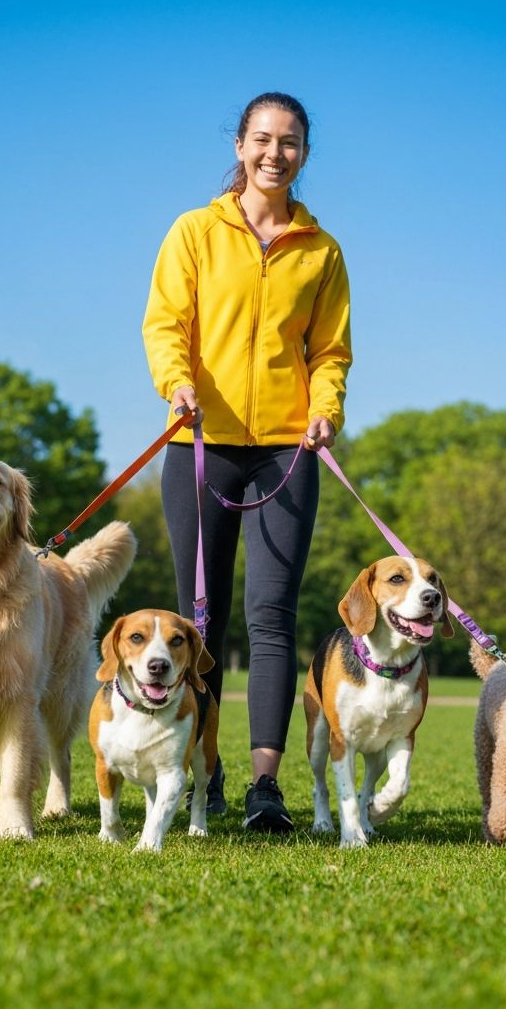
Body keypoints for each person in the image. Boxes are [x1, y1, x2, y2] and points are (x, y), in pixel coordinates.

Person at [141, 91, 352, 832]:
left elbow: (329, 351)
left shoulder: (321, 252)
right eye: (261, 139)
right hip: (199, 443)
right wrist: (177, 383)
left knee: (272, 617)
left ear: (303, 154)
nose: (274, 153)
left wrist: (327, 407)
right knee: (201, 620)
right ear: (239, 145)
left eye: (289, 142)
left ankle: (266, 786)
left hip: (287, 453)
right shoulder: (195, 231)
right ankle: (205, 771)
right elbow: (165, 322)